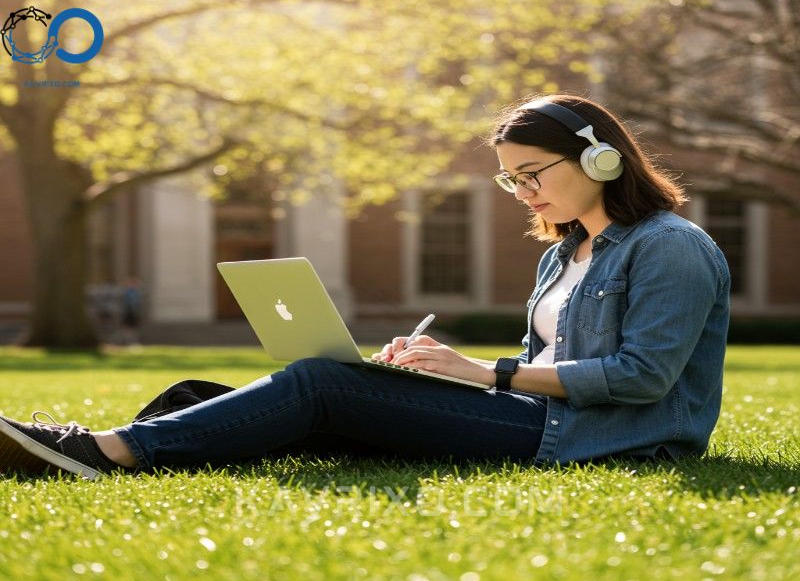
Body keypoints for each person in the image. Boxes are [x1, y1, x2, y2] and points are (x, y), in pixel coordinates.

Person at [0, 94, 730, 480]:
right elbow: (549, 366)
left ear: (600, 159)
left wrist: (486, 373)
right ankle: (123, 440)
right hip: (538, 419)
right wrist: (447, 372)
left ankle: (105, 451)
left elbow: (640, 379)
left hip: (605, 441)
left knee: (321, 388)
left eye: (531, 174)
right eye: (511, 179)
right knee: (224, 395)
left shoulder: (672, 248)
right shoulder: (564, 252)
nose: (520, 193)